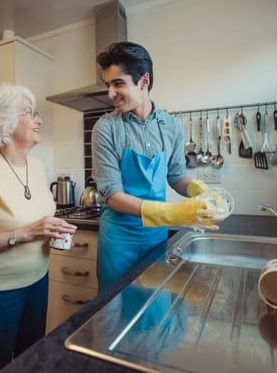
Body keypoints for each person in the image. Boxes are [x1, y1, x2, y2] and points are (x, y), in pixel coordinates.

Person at [0, 83, 77, 373]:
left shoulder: (36, 165)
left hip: (37, 279)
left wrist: (52, 232)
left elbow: (36, 216)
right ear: (5, 122)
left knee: (31, 356)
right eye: (30, 113)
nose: (39, 120)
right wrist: (28, 233)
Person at [92, 42, 215, 292]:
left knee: (153, 307)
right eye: (108, 85)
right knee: (114, 312)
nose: (110, 94)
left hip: (155, 239)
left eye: (118, 83)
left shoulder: (171, 125)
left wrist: (199, 191)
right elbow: (113, 196)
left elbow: (176, 175)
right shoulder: (105, 128)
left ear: (143, 81)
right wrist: (173, 214)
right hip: (118, 240)